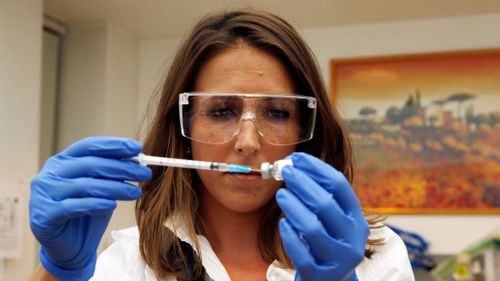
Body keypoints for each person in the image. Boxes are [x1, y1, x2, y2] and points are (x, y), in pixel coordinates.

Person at [29, 9, 414, 281]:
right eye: (221, 112)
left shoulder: (376, 257)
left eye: (277, 113)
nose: (248, 143)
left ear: (307, 130)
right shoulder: (130, 265)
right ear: (183, 129)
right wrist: (56, 272)